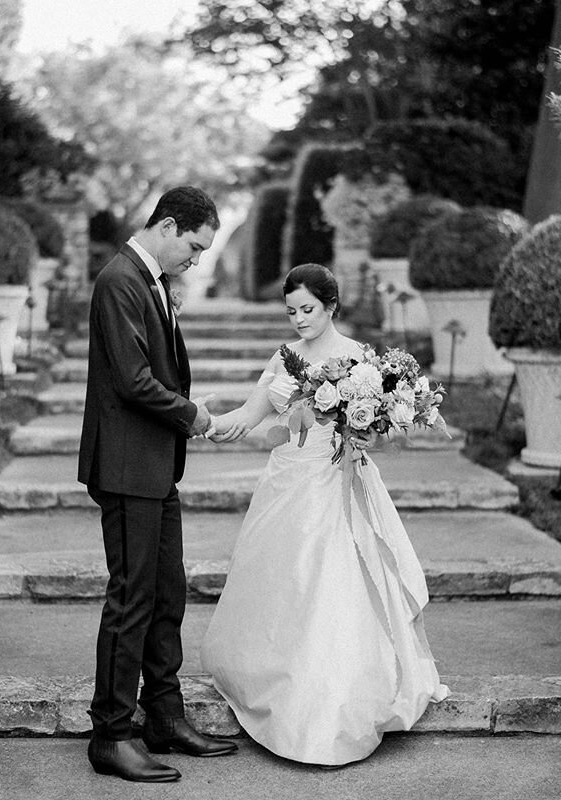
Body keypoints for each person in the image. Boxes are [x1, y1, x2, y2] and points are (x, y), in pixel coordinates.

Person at [201, 263, 449, 767]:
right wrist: (200, 421)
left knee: (333, 583)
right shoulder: (282, 357)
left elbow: (375, 428)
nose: (299, 319)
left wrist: (362, 430)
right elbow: (250, 416)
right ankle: (275, 678)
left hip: (339, 482)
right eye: (291, 311)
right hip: (288, 481)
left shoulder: (359, 357)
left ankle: (334, 697)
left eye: (308, 309)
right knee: (284, 581)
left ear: (331, 306)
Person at [78, 186, 245, 783]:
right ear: (169, 226)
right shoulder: (120, 279)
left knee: (166, 593)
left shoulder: (151, 280)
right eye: (194, 248)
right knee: (131, 601)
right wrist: (193, 415)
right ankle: (112, 734)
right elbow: (132, 379)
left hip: (152, 466)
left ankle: (164, 718)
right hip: (125, 466)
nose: (195, 261)